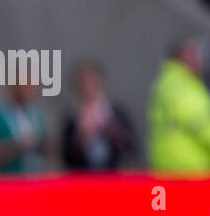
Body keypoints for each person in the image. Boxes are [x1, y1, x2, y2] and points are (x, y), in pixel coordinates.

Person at [148, 36, 210, 173]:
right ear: (184, 56)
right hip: (190, 171)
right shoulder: (182, 85)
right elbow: (202, 122)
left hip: (169, 167)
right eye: (196, 53)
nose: (201, 59)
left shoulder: (166, 82)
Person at [60, 59, 137, 170]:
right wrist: (82, 135)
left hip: (113, 177)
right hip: (83, 179)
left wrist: (109, 126)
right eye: (83, 83)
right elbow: (66, 158)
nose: (88, 88)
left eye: (93, 82)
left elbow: (131, 148)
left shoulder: (117, 113)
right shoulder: (72, 118)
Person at [0, 77, 49, 174]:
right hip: (8, 180)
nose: (29, 87)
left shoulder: (35, 114)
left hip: (35, 179)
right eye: (24, 83)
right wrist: (19, 146)